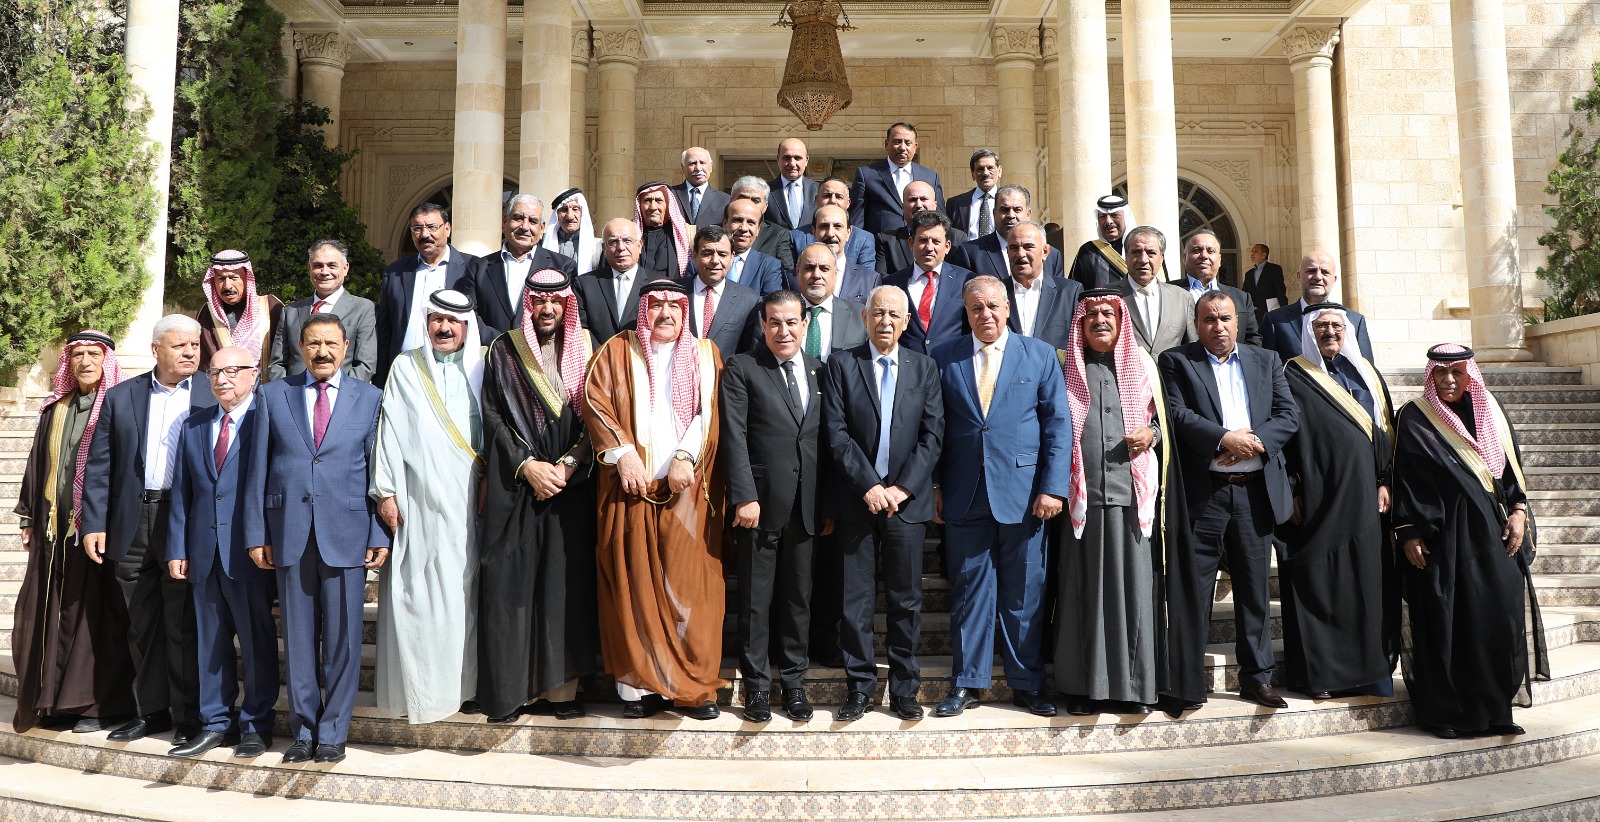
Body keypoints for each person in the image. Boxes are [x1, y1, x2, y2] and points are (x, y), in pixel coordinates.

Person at [1054, 289, 1205, 717]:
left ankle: (1136, 687)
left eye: (1109, 313)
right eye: (1092, 315)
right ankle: (1083, 687)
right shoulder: (1066, 366)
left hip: (1134, 500)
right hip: (1080, 503)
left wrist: (1152, 434)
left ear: (1122, 321)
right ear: (1080, 323)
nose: (1100, 320)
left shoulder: (1143, 366)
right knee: (1082, 594)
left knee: (1135, 595)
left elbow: (1164, 421)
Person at [583, 279, 726, 720]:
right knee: (634, 586)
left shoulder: (705, 354)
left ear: (685, 311)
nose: (665, 313)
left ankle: (693, 690)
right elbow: (595, 403)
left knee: (691, 589)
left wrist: (686, 456)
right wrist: (623, 455)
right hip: (632, 491)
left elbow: (709, 412)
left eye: (674, 306)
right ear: (644, 310)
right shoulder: (615, 351)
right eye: (657, 305)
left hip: (688, 493)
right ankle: (639, 690)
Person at [930, 275, 1071, 718]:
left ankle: (1027, 684)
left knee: (1024, 592)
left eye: (993, 306)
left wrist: (1053, 487)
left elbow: (1058, 425)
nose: (985, 314)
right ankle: (967, 682)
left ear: (1007, 308)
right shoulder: (943, 356)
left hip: (1026, 496)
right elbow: (933, 428)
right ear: (966, 312)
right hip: (964, 492)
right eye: (976, 308)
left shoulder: (1039, 354)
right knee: (968, 591)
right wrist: (935, 485)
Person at [1392, 343, 1548, 739]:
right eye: (1441, 372)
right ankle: (1448, 715)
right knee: (1447, 623)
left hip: (1493, 536)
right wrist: (1407, 531)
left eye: (1457, 372)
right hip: (1441, 541)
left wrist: (1518, 512)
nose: (1448, 380)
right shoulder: (1415, 416)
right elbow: (1404, 476)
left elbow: (1511, 471)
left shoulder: (1490, 409)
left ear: (1469, 375)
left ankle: (1495, 711)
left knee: (1496, 618)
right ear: (1431, 374)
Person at [254, 313, 389, 764]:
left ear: (346, 348)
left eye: (331, 343)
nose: (322, 352)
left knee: (343, 641)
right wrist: (257, 533)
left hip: (347, 532)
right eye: (313, 343)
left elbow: (378, 472)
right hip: (288, 532)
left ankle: (333, 733)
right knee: (298, 639)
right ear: (300, 348)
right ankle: (304, 731)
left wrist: (378, 531)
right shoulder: (273, 395)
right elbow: (257, 469)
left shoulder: (369, 397)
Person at [1159, 291, 1300, 710]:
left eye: (1224, 318)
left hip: (1255, 493)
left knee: (1254, 591)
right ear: (1196, 324)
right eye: (1208, 320)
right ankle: (1186, 684)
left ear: (1238, 322)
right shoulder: (1177, 361)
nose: (1217, 327)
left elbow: (1288, 415)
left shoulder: (1266, 360)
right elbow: (1178, 414)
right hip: (1205, 495)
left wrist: (1252, 443)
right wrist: (1224, 439)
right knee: (1194, 593)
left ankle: (1256, 679)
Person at [81, 315, 214, 744]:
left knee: (182, 621)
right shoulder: (122, 396)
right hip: (132, 520)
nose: (190, 352)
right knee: (140, 622)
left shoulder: (211, 392)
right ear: (156, 349)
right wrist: (94, 522)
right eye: (180, 346)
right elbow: (100, 465)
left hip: (185, 520)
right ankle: (151, 711)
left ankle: (189, 714)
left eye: (195, 345)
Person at [478, 270, 604, 723]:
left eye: (556, 302)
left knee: (563, 587)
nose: (547, 309)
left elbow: (598, 415)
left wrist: (568, 465)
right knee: (512, 587)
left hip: (571, 487)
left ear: (567, 304)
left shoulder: (588, 345)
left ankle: (561, 691)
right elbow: (493, 416)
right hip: (518, 485)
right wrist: (528, 466)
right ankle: (515, 692)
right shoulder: (504, 348)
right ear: (528, 304)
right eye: (539, 301)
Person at [821, 286, 944, 722]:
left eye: (894, 314)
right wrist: (869, 486)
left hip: (906, 504)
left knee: (905, 601)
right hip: (857, 502)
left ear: (907, 321)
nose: (885, 321)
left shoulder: (925, 367)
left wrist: (902, 488)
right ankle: (859, 688)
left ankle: (904, 690)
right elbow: (836, 433)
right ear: (864, 318)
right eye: (878, 313)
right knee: (855, 602)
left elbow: (933, 436)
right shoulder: (841, 364)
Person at [12, 331, 135, 733]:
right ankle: (54, 703)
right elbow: (37, 464)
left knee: (96, 618)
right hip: (54, 530)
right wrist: (29, 517)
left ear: (107, 360)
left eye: (93, 354)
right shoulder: (56, 409)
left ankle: (98, 707)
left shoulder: (120, 405)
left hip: (99, 532)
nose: (85, 362)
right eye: (78, 354)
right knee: (52, 614)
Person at [370, 290, 484, 725]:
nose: (444, 328)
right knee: (419, 596)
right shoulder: (406, 367)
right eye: (437, 319)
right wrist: (385, 492)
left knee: (464, 595)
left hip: (469, 500)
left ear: (467, 328)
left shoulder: (482, 366)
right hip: (418, 502)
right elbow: (389, 433)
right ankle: (425, 695)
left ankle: (464, 688)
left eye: (453, 321)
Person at [1278, 303, 1396, 700]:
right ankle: (1322, 677)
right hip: (1316, 498)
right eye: (1321, 326)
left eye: (1336, 326)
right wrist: (1291, 490)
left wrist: (1384, 480)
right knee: (1320, 584)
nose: (1330, 332)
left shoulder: (1367, 374)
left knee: (1367, 583)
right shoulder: (1292, 374)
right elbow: (1283, 438)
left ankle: (1371, 673)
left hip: (1366, 498)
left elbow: (1385, 432)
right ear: (1308, 332)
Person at [164, 346, 276, 758]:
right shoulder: (194, 425)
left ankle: (257, 724)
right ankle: (215, 722)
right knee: (210, 643)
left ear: (254, 374)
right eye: (214, 372)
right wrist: (177, 546)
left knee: (256, 642)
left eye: (232, 370)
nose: (222, 379)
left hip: (249, 552)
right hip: (202, 551)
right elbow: (183, 493)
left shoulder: (267, 420)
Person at [720, 290, 825, 723]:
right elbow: (734, 436)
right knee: (756, 601)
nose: (784, 330)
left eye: (791, 322)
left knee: (799, 599)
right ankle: (758, 688)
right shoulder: (743, 367)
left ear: (805, 324)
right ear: (763, 325)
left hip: (807, 506)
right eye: (775, 322)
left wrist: (827, 503)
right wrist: (745, 496)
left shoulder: (820, 370)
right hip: (759, 506)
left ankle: (795, 684)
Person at [375, 203, 477, 386]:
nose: (424, 234)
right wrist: (381, 380)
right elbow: (385, 330)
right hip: (404, 372)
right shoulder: (395, 272)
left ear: (447, 229)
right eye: (417, 228)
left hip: (454, 373)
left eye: (432, 227)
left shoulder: (472, 268)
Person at [458, 194, 579, 343]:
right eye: (518, 218)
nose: (525, 227)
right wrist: (501, 343)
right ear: (504, 222)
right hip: (490, 351)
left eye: (533, 221)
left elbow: (568, 316)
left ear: (541, 228)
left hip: (542, 351)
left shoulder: (562, 267)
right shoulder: (478, 268)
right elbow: (469, 313)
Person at [268, 239, 379, 382]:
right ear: (309, 268)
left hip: (342, 393)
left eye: (332, 265)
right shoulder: (290, 312)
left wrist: (340, 393)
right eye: (318, 266)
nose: (325, 272)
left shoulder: (363, 309)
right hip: (295, 393)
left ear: (345, 269)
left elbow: (365, 365)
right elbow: (277, 364)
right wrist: (286, 392)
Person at [883, 210, 977, 356]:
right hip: (909, 365)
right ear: (911, 243)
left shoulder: (966, 281)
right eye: (923, 240)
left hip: (951, 363)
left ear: (947, 246)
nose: (929, 247)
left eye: (936, 241)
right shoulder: (892, 284)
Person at [1262, 250, 1375, 364]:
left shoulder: (1354, 320)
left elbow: (1367, 368)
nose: (1318, 277)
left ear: (1334, 280)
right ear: (1298, 276)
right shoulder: (1275, 321)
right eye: (1311, 271)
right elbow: (1267, 368)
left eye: (1325, 272)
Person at [573, 218, 668, 344]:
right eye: (613, 242)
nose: (621, 247)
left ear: (639, 245)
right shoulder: (585, 284)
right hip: (598, 355)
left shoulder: (659, 285)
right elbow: (581, 331)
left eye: (627, 241)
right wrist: (605, 353)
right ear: (604, 248)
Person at [947, 185, 1066, 281]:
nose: (1011, 215)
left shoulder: (1051, 255)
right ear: (994, 213)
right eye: (1004, 210)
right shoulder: (970, 253)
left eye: (1017, 209)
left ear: (1028, 214)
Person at [995, 221, 1081, 349]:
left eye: (1028, 247)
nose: (1020, 254)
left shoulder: (1069, 293)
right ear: (1007, 252)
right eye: (1014, 247)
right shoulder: (995, 292)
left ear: (1045, 251)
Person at [196, 250, 283, 375]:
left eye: (234, 277)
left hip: (267, 386)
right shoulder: (206, 313)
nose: (227, 286)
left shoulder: (270, 307)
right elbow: (203, 364)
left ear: (247, 278)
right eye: (221, 278)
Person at [1113, 226, 1196, 355]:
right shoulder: (1107, 295)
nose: (1143, 260)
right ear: (1126, 255)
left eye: (1151, 253)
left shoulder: (1183, 298)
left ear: (1161, 258)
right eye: (1136, 252)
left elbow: (1192, 348)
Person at [1171, 228, 1261, 347]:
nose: (1204, 255)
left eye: (1210, 251)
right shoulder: (1166, 293)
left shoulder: (1242, 298)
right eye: (1197, 250)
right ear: (1184, 257)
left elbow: (1253, 340)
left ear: (1219, 259)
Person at [851, 122, 945, 234]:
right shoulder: (867, 175)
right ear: (887, 144)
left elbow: (940, 217)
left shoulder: (930, 176)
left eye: (908, 143)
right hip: (880, 242)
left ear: (915, 147)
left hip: (921, 241)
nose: (902, 147)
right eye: (897, 142)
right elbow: (856, 220)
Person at [683, 225, 760, 358]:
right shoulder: (673, 293)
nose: (715, 261)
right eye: (707, 253)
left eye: (722, 254)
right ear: (695, 256)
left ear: (732, 257)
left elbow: (751, 353)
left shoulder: (749, 301)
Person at [783, 244, 868, 361]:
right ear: (798, 272)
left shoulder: (860, 315)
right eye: (809, 268)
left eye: (824, 269)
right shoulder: (777, 314)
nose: (816, 275)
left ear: (835, 274)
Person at [790, 204, 879, 305]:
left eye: (838, 227)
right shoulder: (791, 279)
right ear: (814, 231)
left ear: (848, 233)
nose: (830, 233)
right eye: (824, 226)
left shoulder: (870, 279)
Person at [875, 181, 968, 277]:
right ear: (903, 207)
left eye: (924, 199)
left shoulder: (956, 238)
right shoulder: (887, 240)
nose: (918, 205)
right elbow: (881, 279)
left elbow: (962, 276)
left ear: (935, 205)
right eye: (912, 200)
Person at [790, 177, 877, 274]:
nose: (832, 200)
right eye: (827, 195)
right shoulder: (795, 237)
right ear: (816, 200)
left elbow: (866, 277)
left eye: (839, 197)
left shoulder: (863, 239)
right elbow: (791, 277)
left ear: (848, 203)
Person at [729, 176, 798, 271]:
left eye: (756, 201)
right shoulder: (716, 231)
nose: (749, 204)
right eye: (743, 198)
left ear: (765, 207)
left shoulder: (778, 235)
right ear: (731, 201)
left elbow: (786, 272)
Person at [1068, 194, 1136, 291]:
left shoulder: (1141, 249)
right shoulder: (1088, 251)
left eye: (1114, 215)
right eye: (1103, 217)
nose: (1108, 221)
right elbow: (1074, 291)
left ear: (1126, 217)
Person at [719, 196, 785, 295]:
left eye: (751, 223)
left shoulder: (769, 266)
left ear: (758, 229)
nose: (744, 228)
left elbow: (770, 302)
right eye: (737, 220)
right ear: (725, 224)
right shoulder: (705, 260)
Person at [636, 181, 695, 278]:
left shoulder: (686, 234)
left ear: (668, 205)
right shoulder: (629, 235)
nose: (653, 207)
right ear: (639, 205)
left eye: (659, 201)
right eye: (647, 201)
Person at [542, 187, 602, 272]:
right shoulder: (542, 244)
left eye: (575, 209)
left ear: (582, 213)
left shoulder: (599, 247)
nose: (570, 216)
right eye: (564, 210)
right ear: (557, 215)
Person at [669, 147, 731, 230]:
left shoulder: (725, 200)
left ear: (711, 166)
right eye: (692, 163)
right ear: (683, 167)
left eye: (702, 163)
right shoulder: (670, 195)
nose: (698, 168)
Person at [947, 149, 1002, 239]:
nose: (985, 173)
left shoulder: (1010, 201)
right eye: (980, 169)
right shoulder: (955, 204)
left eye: (990, 168)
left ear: (999, 171)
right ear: (973, 174)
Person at [767, 138, 817, 231]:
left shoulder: (819, 190)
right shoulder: (765, 191)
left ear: (806, 160)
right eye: (786, 158)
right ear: (778, 159)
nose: (792, 164)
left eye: (798, 158)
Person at [1241, 243, 1287, 326]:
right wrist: (1248, 306)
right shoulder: (1249, 274)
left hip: (1270, 312)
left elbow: (1280, 291)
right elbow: (1244, 293)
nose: (1252, 254)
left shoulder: (1274, 269)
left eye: (1255, 251)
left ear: (1263, 255)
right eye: (1252, 251)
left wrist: (1284, 311)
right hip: (1253, 315)